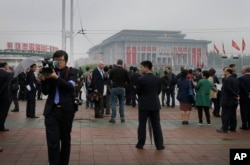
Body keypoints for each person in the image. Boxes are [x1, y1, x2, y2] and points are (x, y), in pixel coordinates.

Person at [41, 50, 77, 165]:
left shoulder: (72, 72)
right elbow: (45, 92)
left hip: (66, 111)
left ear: (66, 61)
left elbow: (70, 87)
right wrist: (43, 80)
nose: (58, 62)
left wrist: (56, 78)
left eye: (61, 60)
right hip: (52, 110)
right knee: (52, 141)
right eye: (56, 60)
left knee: (65, 140)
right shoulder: (50, 72)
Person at [136, 60, 164, 150]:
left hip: (144, 104)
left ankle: (141, 143)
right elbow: (158, 91)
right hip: (155, 104)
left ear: (146, 67)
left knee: (142, 124)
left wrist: (143, 97)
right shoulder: (158, 79)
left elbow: (138, 92)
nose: (140, 69)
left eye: (141, 67)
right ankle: (159, 145)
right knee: (156, 124)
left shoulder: (141, 79)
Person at [217, 67, 239, 133]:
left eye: (224, 71)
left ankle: (224, 128)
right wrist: (236, 94)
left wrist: (234, 94)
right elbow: (238, 89)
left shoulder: (227, 80)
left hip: (227, 100)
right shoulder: (236, 79)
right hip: (234, 100)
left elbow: (228, 89)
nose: (223, 72)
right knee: (233, 115)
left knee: (225, 114)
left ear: (228, 72)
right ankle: (233, 127)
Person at [0, 62, 12, 132]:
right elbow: (5, 86)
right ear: (5, 66)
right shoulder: (6, 74)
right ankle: (1, 126)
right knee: (3, 112)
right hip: (4, 96)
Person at [238, 66, 250, 130]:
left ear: (245, 71)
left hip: (243, 97)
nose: (241, 71)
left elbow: (241, 88)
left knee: (244, 111)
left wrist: (247, 93)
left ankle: (244, 125)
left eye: (242, 70)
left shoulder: (241, 79)